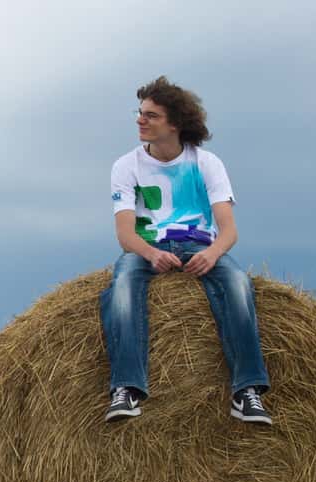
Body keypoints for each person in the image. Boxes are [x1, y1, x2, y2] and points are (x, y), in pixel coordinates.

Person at [101, 76, 272, 424]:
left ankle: (247, 391)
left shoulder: (207, 164)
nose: (140, 120)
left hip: (199, 245)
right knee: (120, 289)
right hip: (147, 247)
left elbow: (228, 231)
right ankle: (126, 389)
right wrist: (150, 253)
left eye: (151, 115)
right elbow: (124, 235)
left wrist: (211, 254)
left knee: (239, 285)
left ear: (175, 124)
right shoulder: (126, 166)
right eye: (140, 112)